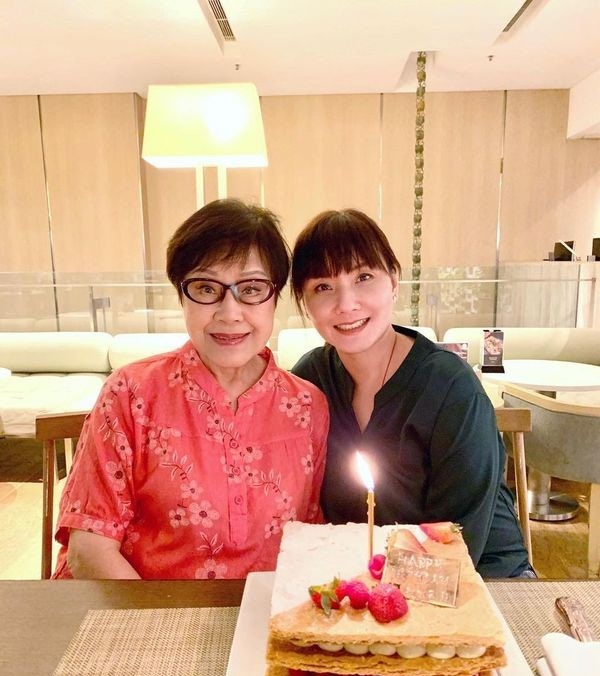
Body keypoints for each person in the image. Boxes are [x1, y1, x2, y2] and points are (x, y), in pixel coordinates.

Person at [52, 199, 328, 580]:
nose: (229, 313)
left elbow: (309, 539)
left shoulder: (308, 405)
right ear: (181, 295)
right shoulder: (130, 395)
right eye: (205, 288)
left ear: (275, 297)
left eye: (251, 289)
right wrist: (166, 620)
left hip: (265, 611)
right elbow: (89, 548)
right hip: (139, 610)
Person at [290, 208, 532, 578]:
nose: (346, 304)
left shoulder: (450, 387)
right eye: (323, 287)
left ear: (393, 281)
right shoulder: (311, 380)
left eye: (363, 277)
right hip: (368, 578)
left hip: (484, 578)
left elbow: (457, 539)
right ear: (306, 303)